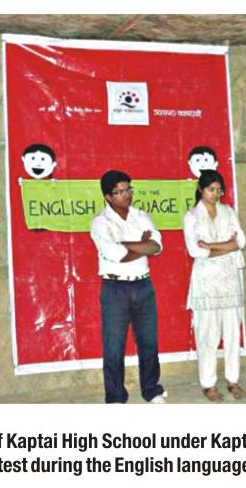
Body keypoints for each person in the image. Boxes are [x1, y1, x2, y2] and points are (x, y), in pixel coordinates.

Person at [90, 170, 167, 404]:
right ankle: (115, 397)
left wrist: (126, 245)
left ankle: (151, 390)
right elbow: (115, 254)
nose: (126, 195)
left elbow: (156, 247)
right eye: (119, 192)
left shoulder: (142, 216)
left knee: (149, 342)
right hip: (115, 288)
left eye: (128, 189)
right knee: (114, 346)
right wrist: (141, 245)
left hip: (143, 284)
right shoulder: (100, 222)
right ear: (108, 196)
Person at [183, 170, 246, 401]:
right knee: (207, 335)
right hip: (206, 283)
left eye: (219, 190)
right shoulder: (191, 216)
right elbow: (195, 250)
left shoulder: (228, 212)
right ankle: (208, 384)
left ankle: (232, 380)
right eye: (211, 189)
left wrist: (211, 246)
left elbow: (240, 242)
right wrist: (226, 246)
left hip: (229, 281)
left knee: (232, 334)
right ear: (201, 189)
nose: (215, 194)